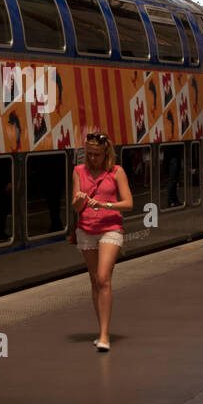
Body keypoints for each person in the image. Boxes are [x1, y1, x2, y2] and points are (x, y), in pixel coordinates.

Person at [72, 132, 132, 352]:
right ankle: (101, 329)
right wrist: (79, 202)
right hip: (86, 229)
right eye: (89, 154)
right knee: (94, 281)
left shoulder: (117, 172)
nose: (92, 158)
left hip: (111, 229)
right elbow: (76, 208)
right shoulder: (78, 172)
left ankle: (105, 335)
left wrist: (105, 205)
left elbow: (128, 203)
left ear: (105, 152)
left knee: (104, 277)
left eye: (96, 154)